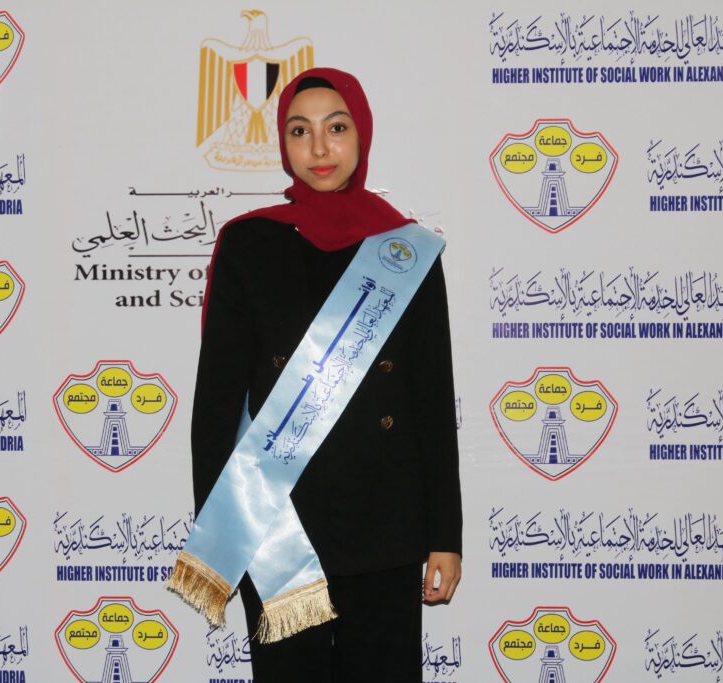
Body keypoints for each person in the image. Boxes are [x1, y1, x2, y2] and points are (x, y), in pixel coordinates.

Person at [178, 67, 461, 682]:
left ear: (362, 135)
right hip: (280, 527)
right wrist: (224, 527)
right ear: (284, 144)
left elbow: (433, 402)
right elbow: (217, 402)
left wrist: (446, 535)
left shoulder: (406, 251)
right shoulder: (248, 243)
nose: (319, 148)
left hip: (385, 520)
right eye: (300, 131)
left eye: (336, 127)